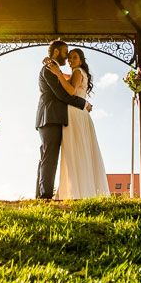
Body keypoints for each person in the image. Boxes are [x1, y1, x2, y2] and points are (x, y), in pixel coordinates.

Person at [44, 47, 110, 200]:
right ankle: (80, 190)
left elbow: (71, 91)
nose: (71, 60)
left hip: (74, 113)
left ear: (81, 60)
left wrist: (58, 73)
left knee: (75, 151)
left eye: (74, 57)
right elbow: (67, 78)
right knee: (81, 150)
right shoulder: (78, 73)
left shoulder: (78, 72)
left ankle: (76, 191)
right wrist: (53, 65)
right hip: (81, 114)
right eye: (69, 58)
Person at [36, 39, 91, 199]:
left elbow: (67, 84)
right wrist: (84, 103)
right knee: (49, 157)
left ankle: (41, 195)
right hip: (49, 118)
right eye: (65, 52)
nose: (67, 57)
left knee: (47, 156)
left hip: (54, 118)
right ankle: (44, 196)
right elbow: (62, 94)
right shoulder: (49, 69)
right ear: (56, 52)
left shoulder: (55, 69)